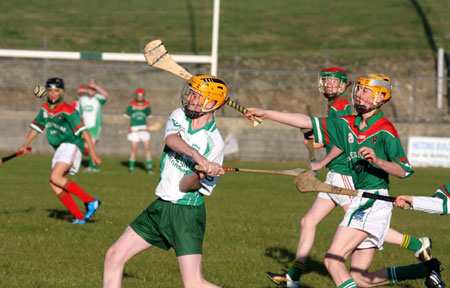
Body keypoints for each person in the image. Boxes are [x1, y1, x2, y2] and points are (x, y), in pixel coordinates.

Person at [246, 73, 444, 288]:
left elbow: (404, 171)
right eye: (358, 89)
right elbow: (305, 121)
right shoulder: (347, 123)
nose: (359, 94)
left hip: (372, 201)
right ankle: (426, 269)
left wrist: (378, 161)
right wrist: (266, 113)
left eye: (365, 90)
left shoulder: (385, 130)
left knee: (332, 260)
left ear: (380, 97)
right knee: (361, 279)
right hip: (362, 199)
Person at [103, 75, 228, 288]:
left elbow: (186, 186)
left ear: (212, 103)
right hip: (161, 206)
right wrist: (198, 157)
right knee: (114, 255)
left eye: (196, 96)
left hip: (185, 213)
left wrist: (200, 174)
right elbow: (171, 140)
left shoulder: (214, 143)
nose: (189, 98)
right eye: (190, 93)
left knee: (194, 284)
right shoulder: (179, 115)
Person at [19, 77, 101, 224]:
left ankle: (90, 201)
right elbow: (36, 127)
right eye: (50, 90)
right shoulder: (45, 109)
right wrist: (25, 145)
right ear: (46, 92)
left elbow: (85, 131)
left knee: (56, 177)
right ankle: (79, 217)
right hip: (60, 148)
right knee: (53, 182)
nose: (53, 94)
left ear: (62, 93)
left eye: (57, 90)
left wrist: (93, 152)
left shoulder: (68, 110)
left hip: (72, 144)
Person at [77, 80, 109, 172]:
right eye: (90, 89)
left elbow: (106, 95)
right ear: (87, 90)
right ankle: (93, 165)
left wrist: (96, 86)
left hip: (95, 126)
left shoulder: (98, 98)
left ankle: (93, 166)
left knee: (91, 145)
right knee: (87, 146)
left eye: (93, 89)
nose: (92, 91)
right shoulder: (82, 100)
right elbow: (79, 114)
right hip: (85, 127)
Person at [123, 88, 154, 174]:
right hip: (134, 128)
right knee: (133, 149)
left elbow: (148, 117)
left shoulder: (147, 104)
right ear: (136, 96)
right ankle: (131, 168)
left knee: (147, 148)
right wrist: (128, 127)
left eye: (141, 96)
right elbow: (128, 117)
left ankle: (150, 167)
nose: (140, 97)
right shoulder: (131, 104)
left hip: (143, 128)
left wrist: (147, 127)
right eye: (138, 96)